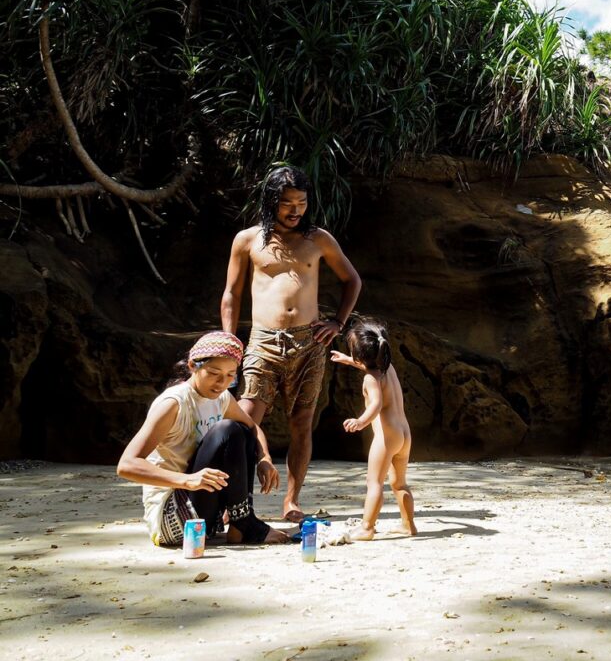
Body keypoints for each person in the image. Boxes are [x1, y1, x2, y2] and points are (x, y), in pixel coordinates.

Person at [221, 165, 361, 523]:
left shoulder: (319, 239)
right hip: (262, 341)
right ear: (271, 202)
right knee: (243, 419)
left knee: (302, 422)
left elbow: (352, 281)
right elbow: (232, 295)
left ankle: (291, 501)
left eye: (301, 202)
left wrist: (338, 323)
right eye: (287, 203)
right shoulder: (248, 240)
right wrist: (229, 342)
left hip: (309, 342)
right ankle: (236, 501)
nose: (295, 210)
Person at [118, 331, 290, 546]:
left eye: (230, 376)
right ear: (193, 366)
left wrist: (264, 458)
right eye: (214, 373)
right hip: (173, 520)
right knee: (227, 429)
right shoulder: (173, 403)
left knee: (241, 431)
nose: (221, 383)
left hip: (206, 515)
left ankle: (240, 524)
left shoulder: (222, 398)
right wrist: (188, 480)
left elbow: (252, 426)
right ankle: (246, 524)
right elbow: (126, 465)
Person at [330, 317, 415, 540]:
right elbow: (370, 365)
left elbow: (376, 403)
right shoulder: (389, 368)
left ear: (361, 355)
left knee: (374, 482)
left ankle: (367, 527)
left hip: (387, 438)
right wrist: (348, 360)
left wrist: (361, 421)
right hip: (404, 434)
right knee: (399, 483)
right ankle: (408, 526)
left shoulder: (370, 379)